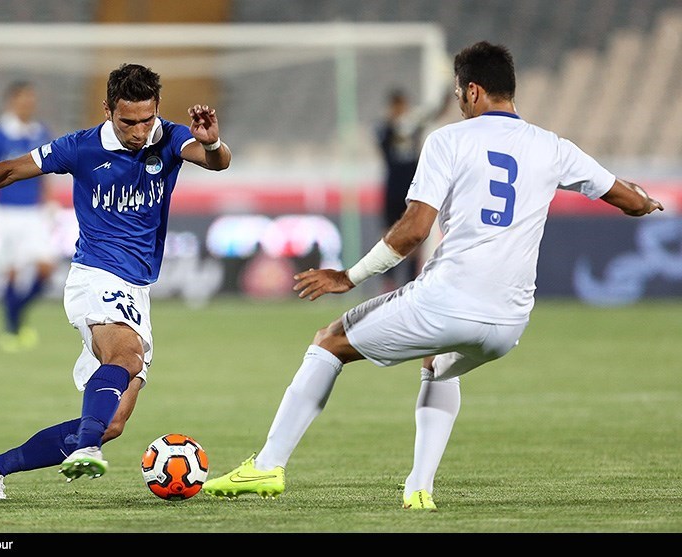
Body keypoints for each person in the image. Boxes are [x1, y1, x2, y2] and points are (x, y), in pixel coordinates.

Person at [201, 41, 663, 510]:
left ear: (474, 91)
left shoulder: (448, 140)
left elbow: (413, 231)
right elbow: (627, 198)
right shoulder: (554, 147)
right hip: (508, 324)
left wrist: (348, 276)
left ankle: (267, 466)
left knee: (328, 343)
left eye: (461, 94)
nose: (459, 103)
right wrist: (646, 201)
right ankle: (419, 488)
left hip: (448, 300)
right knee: (439, 364)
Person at [0, 63, 231, 499]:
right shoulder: (79, 148)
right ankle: (88, 448)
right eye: (127, 121)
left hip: (137, 288)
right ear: (107, 110)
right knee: (126, 356)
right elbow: (7, 170)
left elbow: (215, 161)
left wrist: (213, 144)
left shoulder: (168, 138)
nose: (138, 131)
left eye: (146, 119)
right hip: (96, 275)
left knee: (113, 421)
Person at [0, 81, 57, 352]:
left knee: (46, 268)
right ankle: (12, 331)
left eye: (31, 99)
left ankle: (15, 321)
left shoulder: (41, 132)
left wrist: (50, 201)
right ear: (12, 102)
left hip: (34, 213)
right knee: (10, 274)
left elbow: (47, 173)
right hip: (4, 213)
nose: (28, 104)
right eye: (23, 99)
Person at [375, 87, 452, 291]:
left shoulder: (413, 126)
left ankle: (410, 285)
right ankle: (388, 283)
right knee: (389, 235)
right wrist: (401, 126)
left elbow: (434, 114)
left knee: (413, 238)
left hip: (412, 189)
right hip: (392, 189)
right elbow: (389, 141)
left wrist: (446, 97)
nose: (401, 110)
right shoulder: (384, 129)